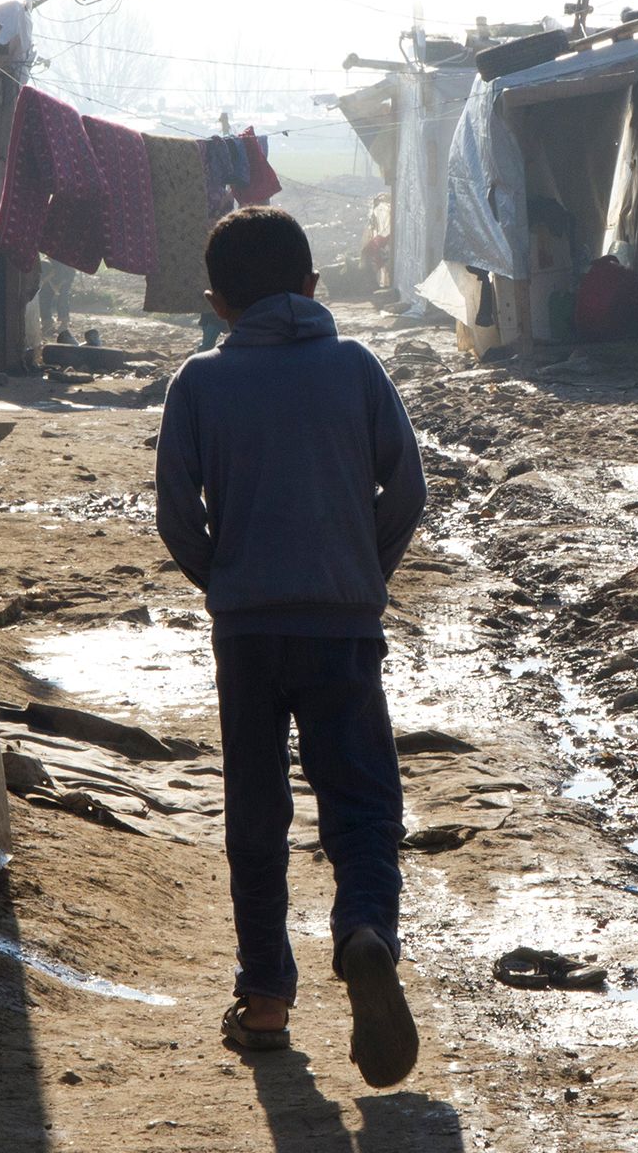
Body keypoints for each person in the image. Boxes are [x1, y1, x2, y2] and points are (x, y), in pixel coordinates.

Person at [154, 207, 427, 1088]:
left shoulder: (198, 383)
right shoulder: (354, 367)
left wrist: (227, 583)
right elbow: (406, 489)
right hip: (342, 627)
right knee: (361, 801)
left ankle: (265, 997)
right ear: (314, 288)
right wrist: (360, 570)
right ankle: (364, 932)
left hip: (247, 631)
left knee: (257, 808)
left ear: (216, 303)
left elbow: (175, 518)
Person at [36, 256, 76, 343]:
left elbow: (62, 285)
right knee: (44, 297)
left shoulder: (65, 270)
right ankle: (47, 323)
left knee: (63, 298)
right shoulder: (44, 267)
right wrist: (45, 282)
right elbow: (42, 281)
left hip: (66, 273)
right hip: (51, 273)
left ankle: (64, 323)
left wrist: (58, 286)